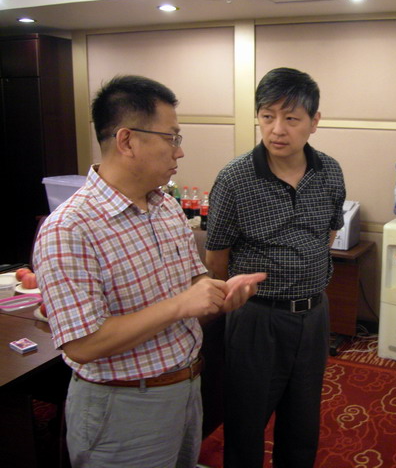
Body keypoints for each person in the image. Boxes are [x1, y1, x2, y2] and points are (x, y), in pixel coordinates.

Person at [32, 75, 266, 468]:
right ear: (127, 141)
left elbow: (193, 284)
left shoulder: (165, 206)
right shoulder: (69, 228)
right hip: (122, 406)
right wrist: (181, 305)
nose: (180, 151)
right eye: (171, 137)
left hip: (187, 387)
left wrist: (219, 294)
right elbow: (82, 345)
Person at [205, 67, 346, 468]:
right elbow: (216, 257)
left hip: (314, 314)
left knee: (303, 420)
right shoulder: (235, 178)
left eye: (291, 118)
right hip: (257, 317)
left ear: (314, 122)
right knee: (245, 421)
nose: (277, 129)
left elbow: (328, 233)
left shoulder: (330, 171)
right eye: (267, 116)